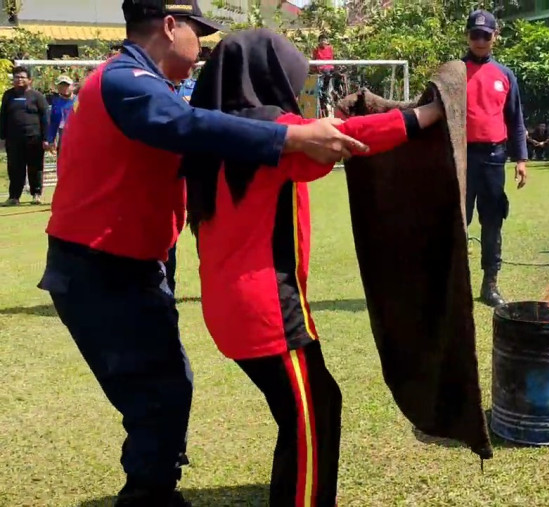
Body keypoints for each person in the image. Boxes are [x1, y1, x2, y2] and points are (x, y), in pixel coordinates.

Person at [35, 1, 368, 505]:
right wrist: (294, 134)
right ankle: (147, 495)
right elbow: (189, 127)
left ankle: (154, 487)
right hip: (100, 268)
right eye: (198, 33)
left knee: (169, 387)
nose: (202, 49)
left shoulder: (139, 83)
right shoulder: (124, 80)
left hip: (132, 265)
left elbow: (202, 129)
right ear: (169, 26)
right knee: (156, 395)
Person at [181, 29, 445, 507]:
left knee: (309, 410)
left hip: (229, 308)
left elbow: (310, 150)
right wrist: (426, 115)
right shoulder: (270, 131)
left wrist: (328, 122)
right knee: (312, 420)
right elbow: (347, 142)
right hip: (267, 312)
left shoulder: (215, 135)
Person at [462, 9, 527, 307]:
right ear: (467, 36)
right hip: (460, 159)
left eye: (485, 36)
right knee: (455, 222)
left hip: (493, 158)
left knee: (492, 221)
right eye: (475, 35)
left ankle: (490, 284)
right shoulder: (453, 73)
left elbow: (515, 121)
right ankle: (453, 287)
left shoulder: (505, 75)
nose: (479, 41)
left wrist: (521, 159)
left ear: (494, 38)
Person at [0, 66, 49, 206]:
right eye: (16, 77)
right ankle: (14, 197)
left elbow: (45, 118)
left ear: (30, 80)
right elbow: (3, 116)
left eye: (22, 77)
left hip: (34, 139)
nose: (19, 80)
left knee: (35, 167)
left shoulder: (37, 96)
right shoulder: (8, 95)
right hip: (13, 140)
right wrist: (2, 137)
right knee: (15, 168)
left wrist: (46, 138)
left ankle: (36, 194)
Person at [46, 75, 76, 154]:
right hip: (63, 137)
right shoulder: (56, 103)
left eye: (67, 86)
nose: (64, 88)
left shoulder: (79, 101)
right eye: (62, 86)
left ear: (72, 87)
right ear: (58, 88)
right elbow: (53, 122)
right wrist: (51, 140)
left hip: (78, 137)